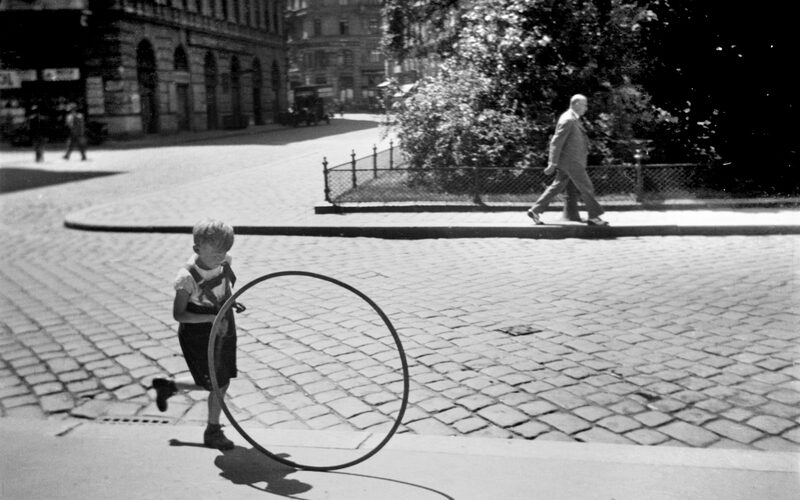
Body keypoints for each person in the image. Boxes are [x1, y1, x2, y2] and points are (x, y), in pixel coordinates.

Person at [151, 219, 241, 450]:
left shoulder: (223, 262)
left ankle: (169, 386)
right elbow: (179, 314)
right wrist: (210, 319)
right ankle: (212, 430)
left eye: (224, 251)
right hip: (199, 332)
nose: (220, 257)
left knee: (221, 380)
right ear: (197, 249)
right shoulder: (187, 278)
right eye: (214, 253)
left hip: (222, 325)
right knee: (217, 383)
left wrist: (230, 303)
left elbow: (223, 287)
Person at [527, 94, 609, 226]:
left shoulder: (573, 119)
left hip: (570, 161)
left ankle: (534, 210)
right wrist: (551, 163)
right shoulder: (568, 120)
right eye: (584, 105)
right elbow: (556, 141)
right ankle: (594, 217)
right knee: (587, 187)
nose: (586, 108)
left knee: (556, 186)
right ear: (576, 104)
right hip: (572, 162)